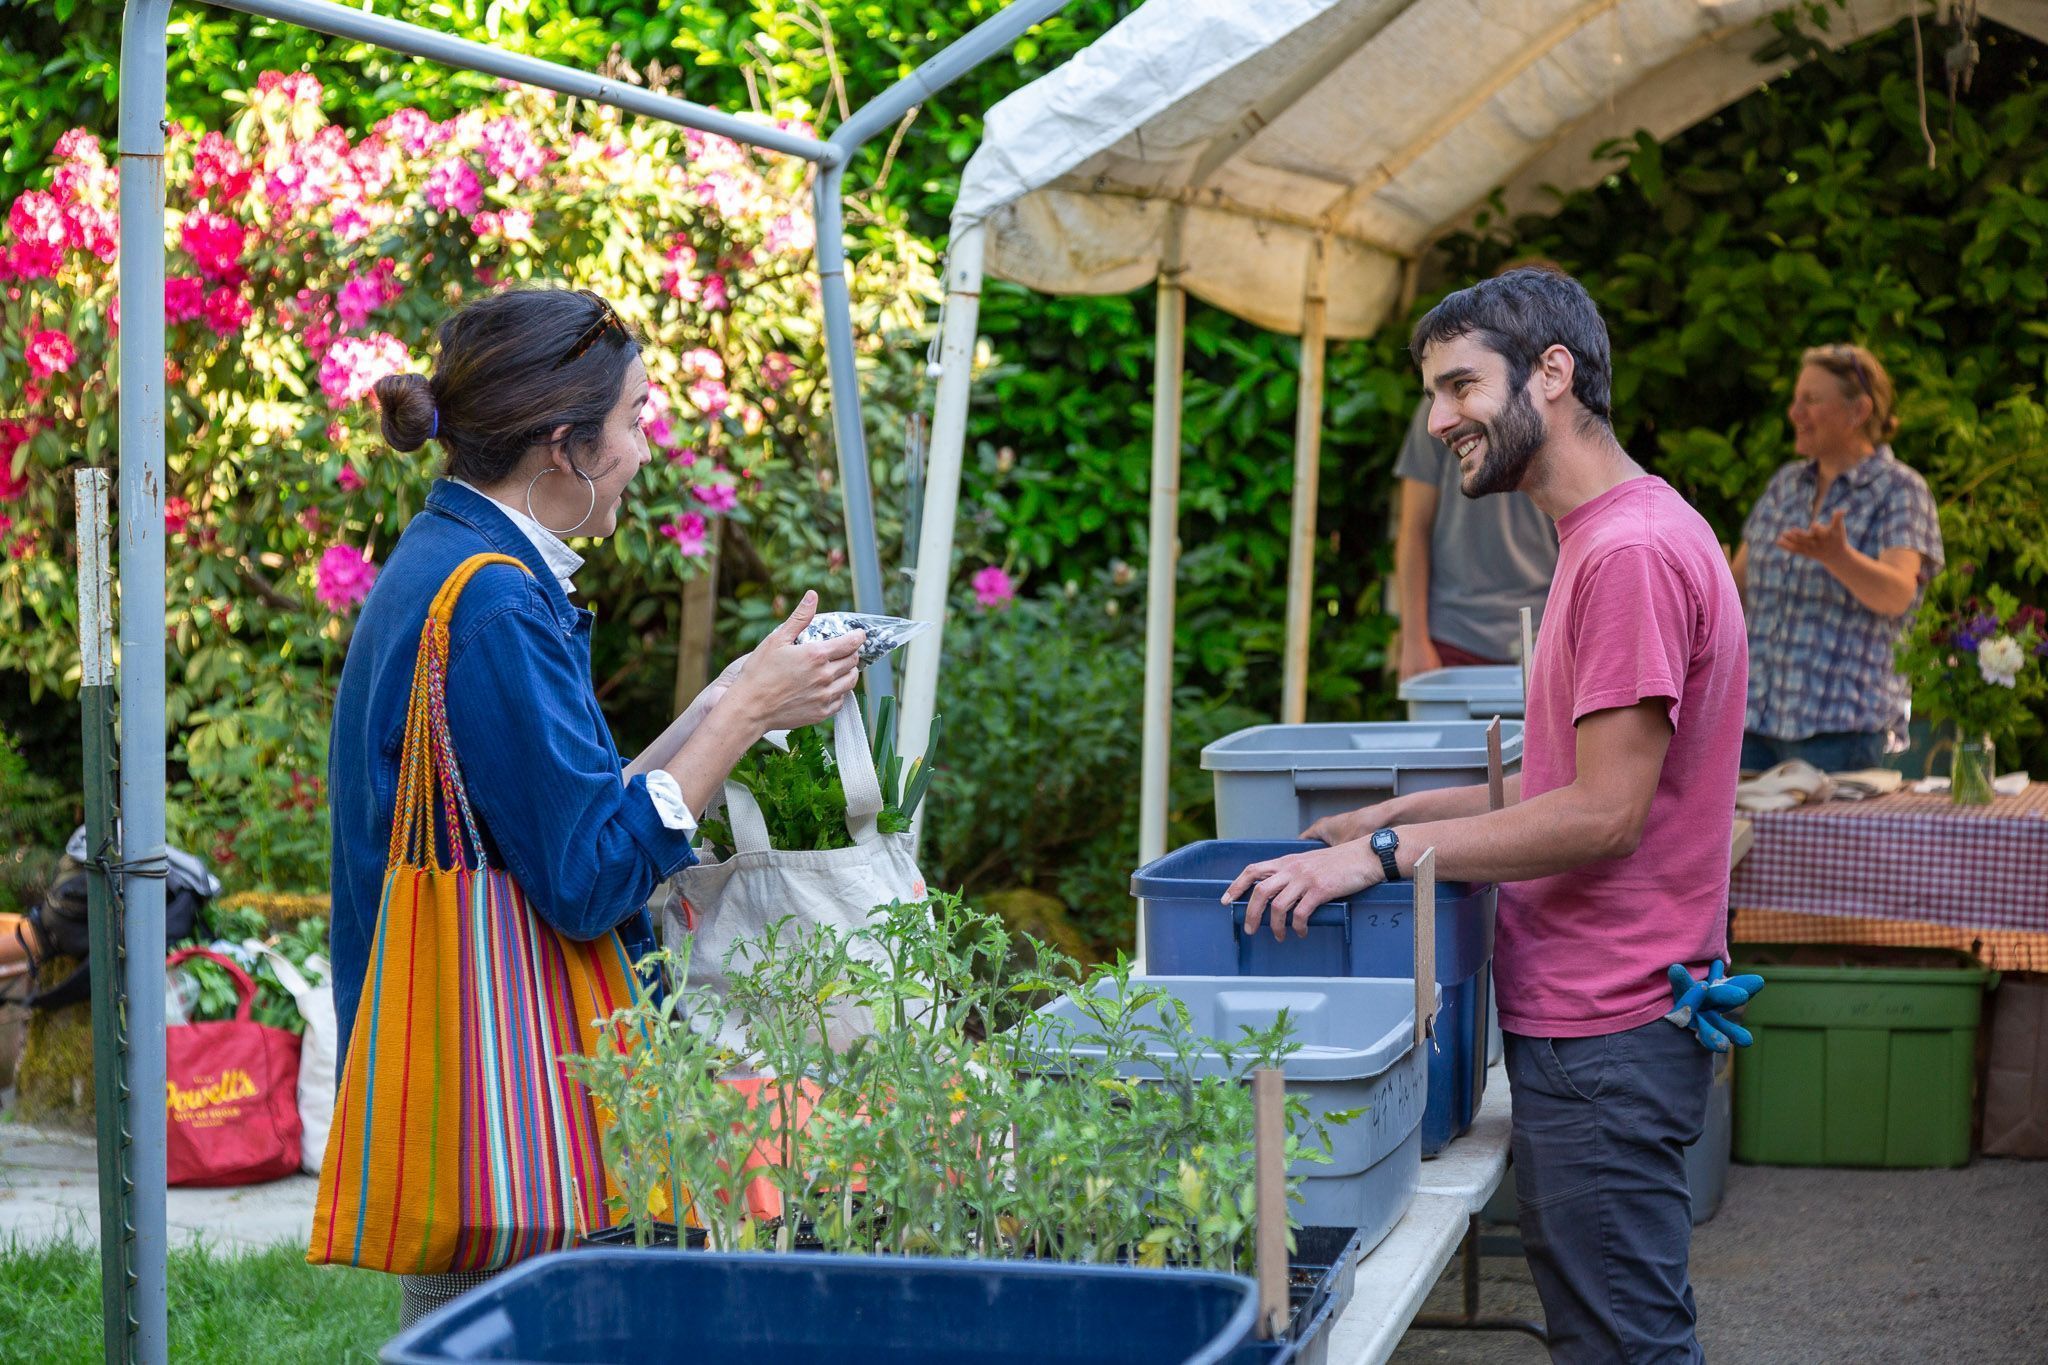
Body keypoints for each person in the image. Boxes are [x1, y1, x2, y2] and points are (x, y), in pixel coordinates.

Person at [1224, 269, 1746, 1363]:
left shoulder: (1627, 555)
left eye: (1459, 385)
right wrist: (1394, 807)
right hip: (1609, 1019)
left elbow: (1602, 816)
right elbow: (1566, 775)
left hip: (1607, 1025)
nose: (1437, 420)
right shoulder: (1610, 534)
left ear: (1551, 374)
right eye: (1431, 392)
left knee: (1623, 1346)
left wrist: (1386, 851)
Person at [329, 288, 863, 1321]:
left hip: (465, 1080)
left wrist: (720, 708)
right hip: (515, 1113)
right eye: (635, 420)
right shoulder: (491, 600)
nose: (646, 450)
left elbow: (551, 817)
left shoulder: (450, 564)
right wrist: (739, 718)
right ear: (563, 450)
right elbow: (585, 881)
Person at [1731, 344, 1942, 772]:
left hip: (1843, 733)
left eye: (1810, 400)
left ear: (1858, 411)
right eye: (1796, 399)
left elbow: (1898, 594)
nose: (1795, 413)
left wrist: (1838, 557)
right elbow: (1738, 588)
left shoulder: (1900, 490)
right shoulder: (1786, 485)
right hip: (1753, 722)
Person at [1394, 383, 1557, 678]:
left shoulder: (1556, 403)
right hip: (1451, 634)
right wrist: (1413, 640)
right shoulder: (1438, 413)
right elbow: (1413, 528)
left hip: (1545, 632)